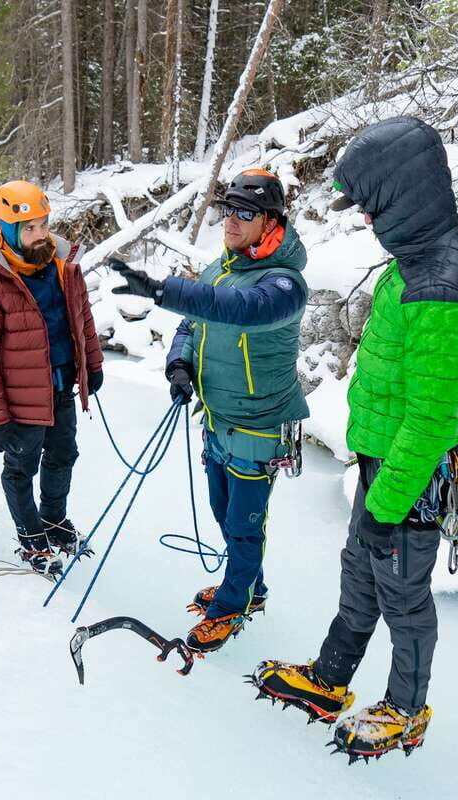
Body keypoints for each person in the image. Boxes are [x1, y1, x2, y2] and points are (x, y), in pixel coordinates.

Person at [250, 117, 458, 762]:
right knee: (360, 572)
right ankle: (331, 679)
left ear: (403, 193)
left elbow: (433, 419)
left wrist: (388, 505)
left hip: (412, 472)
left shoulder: (443, 285)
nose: (363, 218)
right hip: (383, 461)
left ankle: (406, 710)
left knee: (402, 593)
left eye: (369, 205)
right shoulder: (420, 257)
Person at [108, 169, 308, 653]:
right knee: (224, 513)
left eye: (245, 213)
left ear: (271, 221)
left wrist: (162, 290)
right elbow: (194, 322)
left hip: (261, 425)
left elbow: (238, 309)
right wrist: (179, 363)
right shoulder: (221, 269)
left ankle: (231, 606)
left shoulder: (285, 284)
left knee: (243, 524)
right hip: (217, 418)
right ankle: (250, 588)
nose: (231, 222)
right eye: (227, 211)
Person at [0, 180, 104, 577]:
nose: (40, 234)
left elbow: (82, 320)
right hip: (18, 400)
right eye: (29, 228)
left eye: (43, 224)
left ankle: (54, 520)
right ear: (7, 229)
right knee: (21, 468)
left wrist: (92, 364)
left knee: (63, 456)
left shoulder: (62, 266)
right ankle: (31, 537)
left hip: (60, 388)